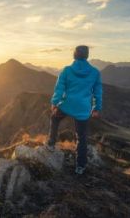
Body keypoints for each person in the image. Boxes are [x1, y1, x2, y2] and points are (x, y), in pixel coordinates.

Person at [46, 45, 103, 175]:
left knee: (55, 118)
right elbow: (98, 92)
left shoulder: (67, 70)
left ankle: (50, 143)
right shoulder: (95, 72)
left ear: (74, 55)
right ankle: (80, 166)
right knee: (81, 137)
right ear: (87, 56)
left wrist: (55, 103)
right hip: (83, 108)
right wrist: (96, 108)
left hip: (67, 104)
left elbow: (59, 88)